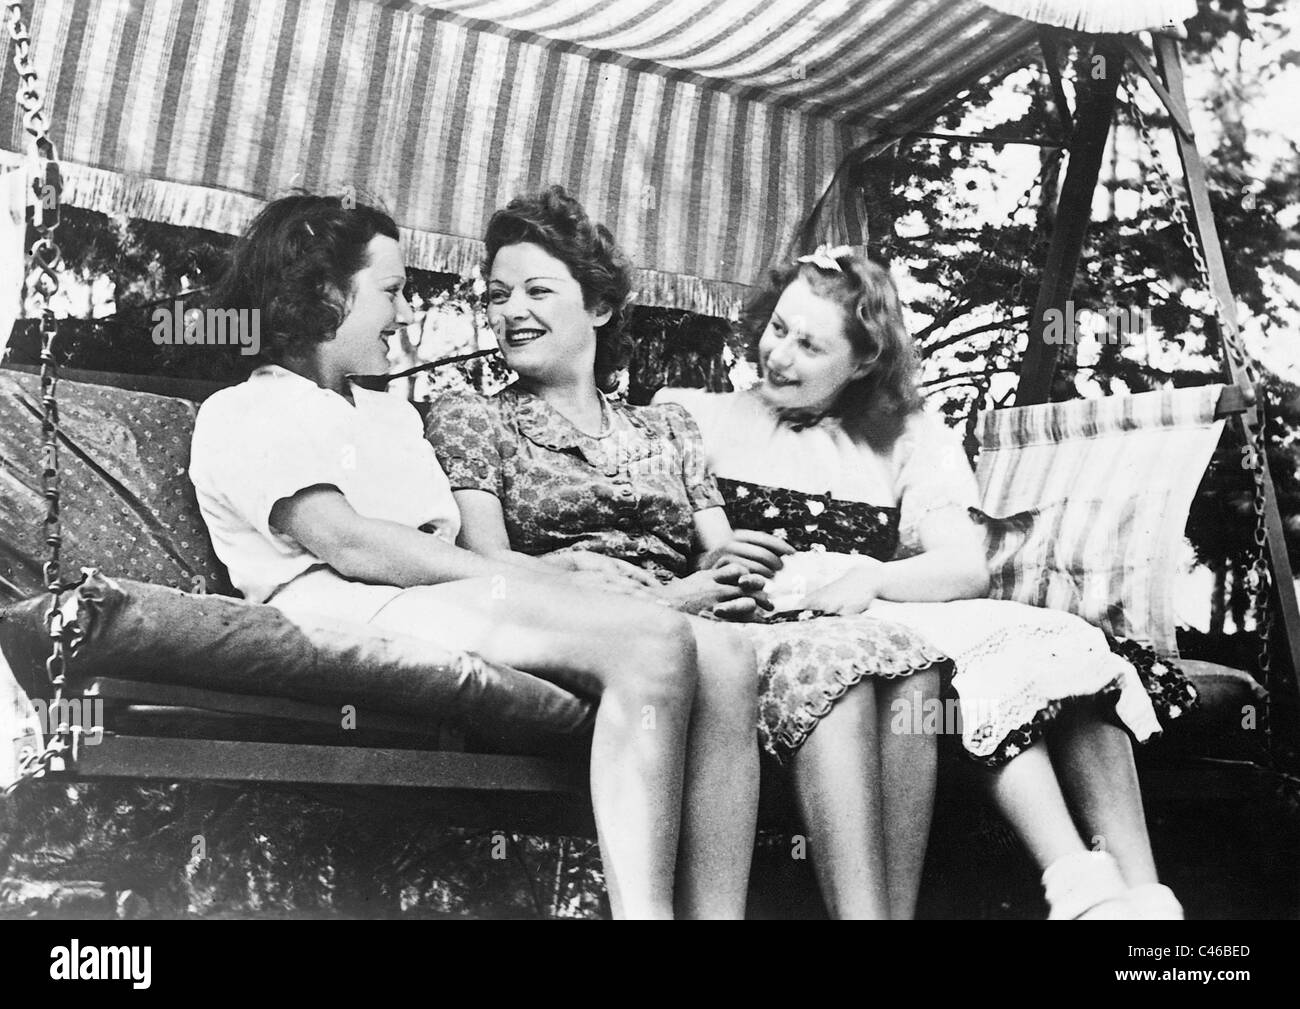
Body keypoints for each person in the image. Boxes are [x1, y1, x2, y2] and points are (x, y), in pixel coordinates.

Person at [187, 194, 761, 920]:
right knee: (653, 643)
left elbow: (450, 551)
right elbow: (350, 541)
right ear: (328, 292)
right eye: (391, 291)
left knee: (722, 654)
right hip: (341, 606)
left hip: (434, 599)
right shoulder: (245, 410)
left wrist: (552, 578)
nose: (403, 315)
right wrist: (525, 581)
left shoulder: (389, 415)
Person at [428, 187, 953, 919]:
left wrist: (743, 563)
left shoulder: (669, 427)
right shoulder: (472, 415)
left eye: (538, 290)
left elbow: (717, 555)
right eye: (499, 294)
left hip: (690, 623)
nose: (513, 309)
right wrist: (664, 599)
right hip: (566, 621)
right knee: (723, 653)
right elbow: (486, 560)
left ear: (600, 307)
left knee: (860, 655)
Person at [656, 246, 1195, 920]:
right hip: (787, 632)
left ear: (860, 361)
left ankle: (1143, 904)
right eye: (778, 329)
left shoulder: (905, 437)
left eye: (810, 345)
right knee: (962, 662)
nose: (780, 356)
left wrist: (873, 574)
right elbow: (646, 534)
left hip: (876, 613)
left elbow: (965, 565)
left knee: (1062, 644)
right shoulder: (695, 416)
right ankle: (1079, 883)